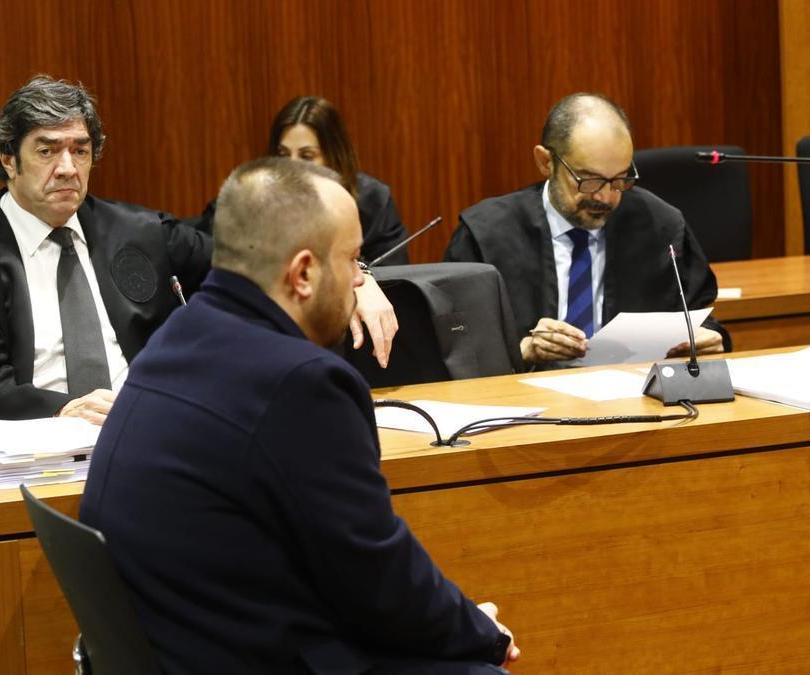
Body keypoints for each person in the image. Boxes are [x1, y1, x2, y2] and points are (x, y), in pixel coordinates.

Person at [80, 157, 520, 674]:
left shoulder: (177, 335)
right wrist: (480, 632)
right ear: (305, 273)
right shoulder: (301, 382)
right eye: (355, 259)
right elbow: (376, 576)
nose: (360, 279)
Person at [0, 77, 398, 429]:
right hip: (34, 453)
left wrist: (354, 272)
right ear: (7, 159)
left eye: (80, 151)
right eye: (46, 151)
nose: (66, 168)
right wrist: (63, 408)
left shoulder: (140, 232)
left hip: (154, 435)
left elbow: (249, 262)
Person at [444, 93, 730, 367]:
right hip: (523, 401)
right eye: (589, 181)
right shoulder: (486, 234)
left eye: (619, 180)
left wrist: (711, 338)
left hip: (635, 397)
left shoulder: (660, 226)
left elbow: (700, 316)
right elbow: (454, 343)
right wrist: (522, 351)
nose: (606, 197)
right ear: (546, 162)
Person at [189, 95, 411, 266]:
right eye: (284, 154)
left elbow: (392, 275)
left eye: (306, 156)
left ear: (333, 157)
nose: (291, 166)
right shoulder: (253, 196)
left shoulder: (373, 201)